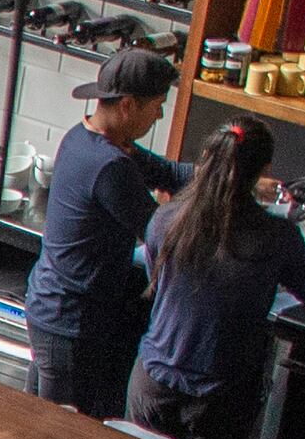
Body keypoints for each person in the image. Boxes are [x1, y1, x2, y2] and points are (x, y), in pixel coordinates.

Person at [131, 117, 305, 439]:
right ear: (264, 170)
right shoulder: (277, 237)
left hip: (153, 383)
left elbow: (156, 280)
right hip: (219, 400)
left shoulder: (166, 218)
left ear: (207, 156)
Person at [21, 46, 185, 419]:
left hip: (51, 307)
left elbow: (170, 174)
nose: (160, 114)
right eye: (157, 105)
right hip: (70, 321)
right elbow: (160, 231)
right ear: (128, 105)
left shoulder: (86, 138)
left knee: (36, 426)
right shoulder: (109, 164)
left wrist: (231, 176)